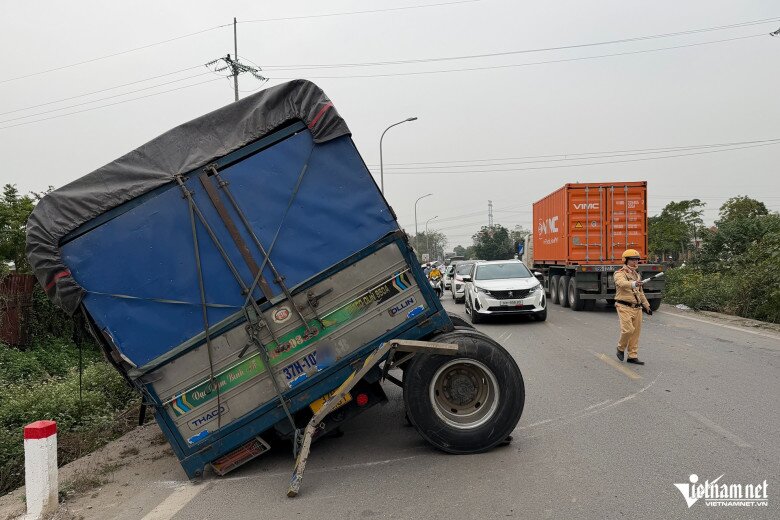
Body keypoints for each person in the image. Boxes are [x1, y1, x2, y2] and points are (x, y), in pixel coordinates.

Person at [614, 249, 652, 365]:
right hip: (623, 306)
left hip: (637, 308)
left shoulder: (636, 275)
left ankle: (632, 356)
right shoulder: (619, 273)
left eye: (636, 259)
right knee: (628, 330)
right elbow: (621, 284)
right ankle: (620, 348)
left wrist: (647, 306)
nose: (635, 262)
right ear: (625, 260)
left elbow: (640, 292)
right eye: (632, 260)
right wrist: (633, 284)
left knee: (635, 333)